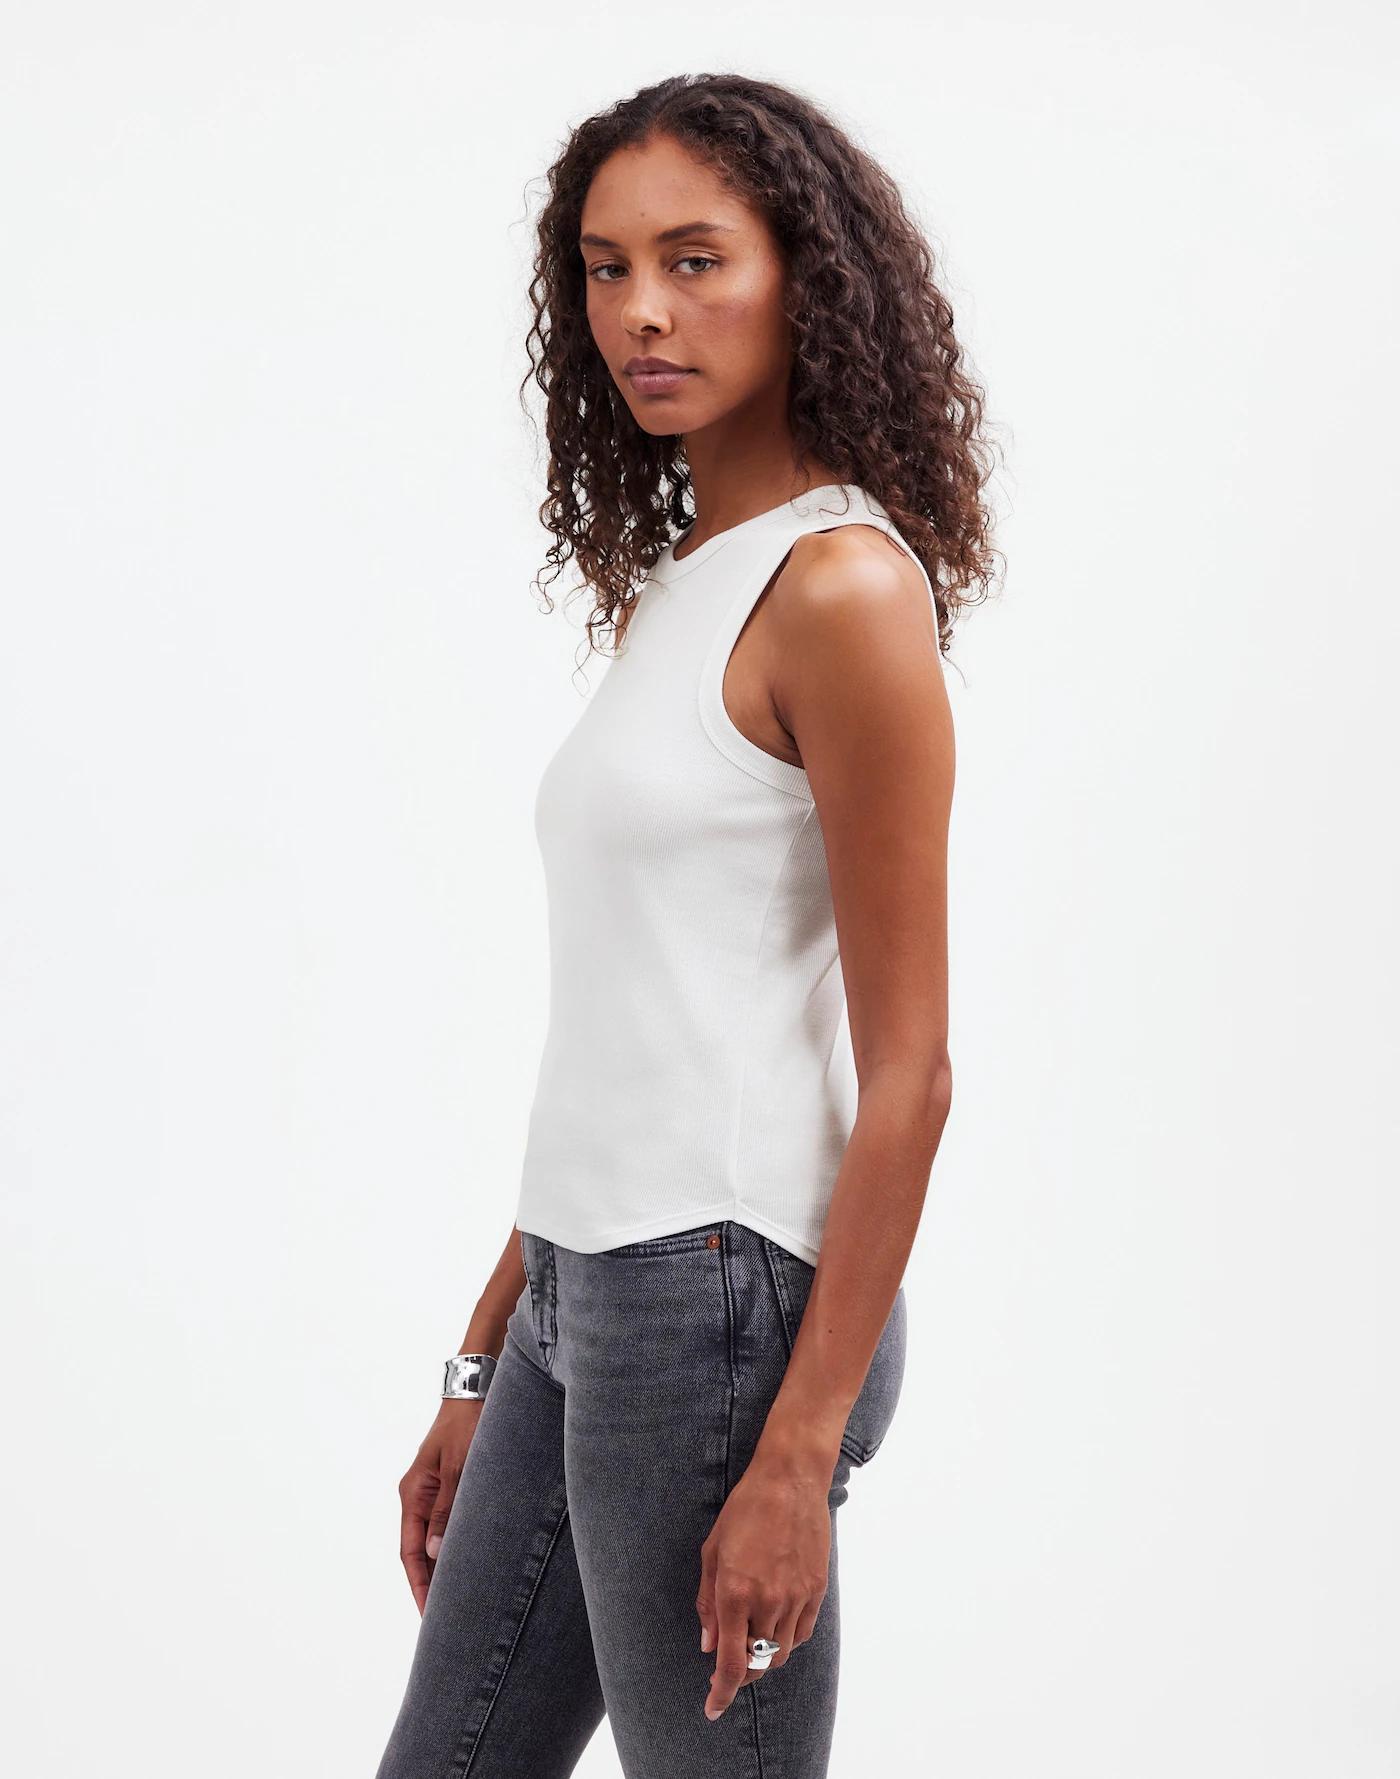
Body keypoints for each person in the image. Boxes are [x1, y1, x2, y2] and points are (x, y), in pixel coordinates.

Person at [374, 71, 998, 1779]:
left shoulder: (841, 589)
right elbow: (626, 1030)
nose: (640, 311)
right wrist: (486, 1354)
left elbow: (915, 1071)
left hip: (722, 1311)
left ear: (808, 276)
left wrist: (797, 1450)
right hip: (584, 1285)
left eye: (695, 259)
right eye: (605, 267)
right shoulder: (688, 582)